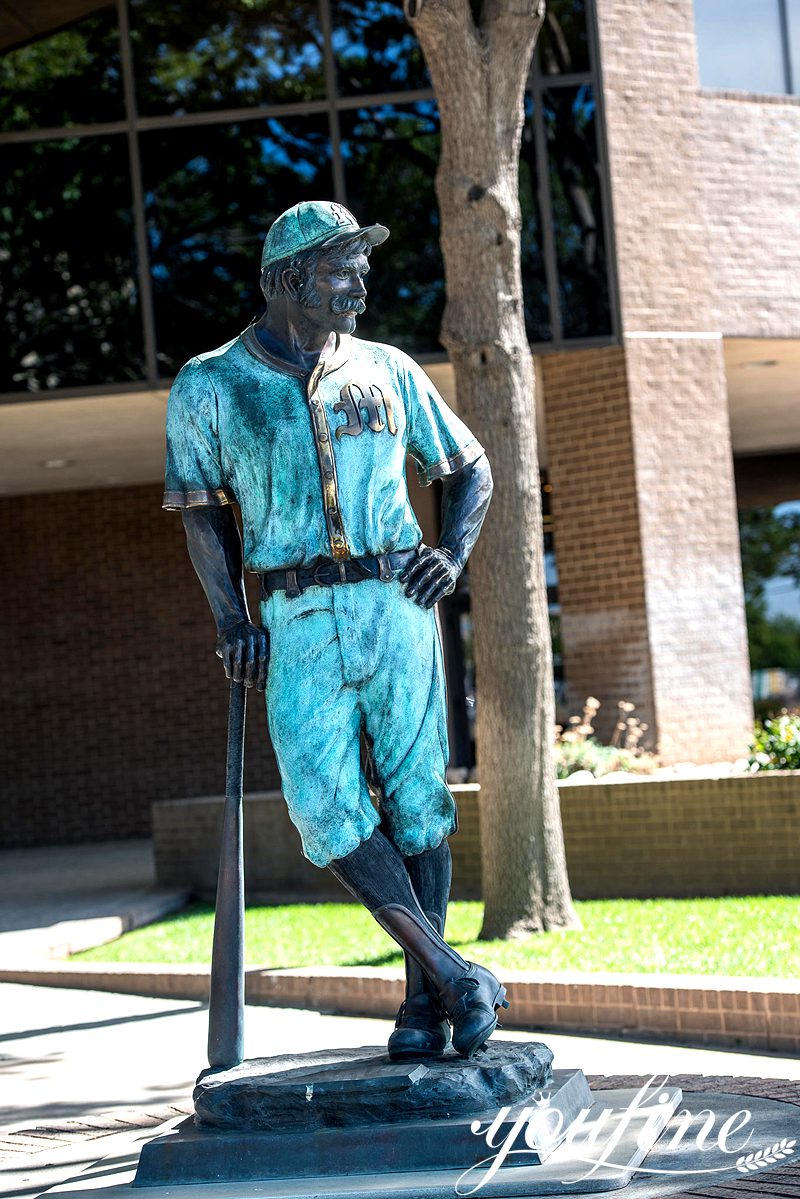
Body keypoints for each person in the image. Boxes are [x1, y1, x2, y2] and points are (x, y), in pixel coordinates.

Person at [164, 200, 507, 1060]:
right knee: (324, 808)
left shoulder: (388, 369)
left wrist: (453, 555)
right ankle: (455, 971)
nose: (360, 283)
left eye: (362, 266)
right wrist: (232, 620)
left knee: (419, 800)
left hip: (397, 605)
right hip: (294, 618)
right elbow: (203, 517)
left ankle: (425, 1004)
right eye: (340, 270)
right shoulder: (211, 383)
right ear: (287, 281)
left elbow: (470, 468)